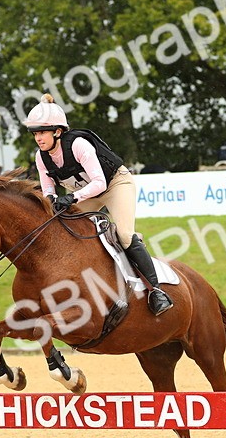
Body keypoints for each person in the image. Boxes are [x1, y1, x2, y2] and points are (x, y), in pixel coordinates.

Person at [23, 94, 173, 316]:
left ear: (58, 131)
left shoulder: (78, 145)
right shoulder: (41, 157)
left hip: (115, 185)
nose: (38, 138)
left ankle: (157, 291)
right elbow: (48, 189)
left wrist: (72, 198)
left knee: (123, 235)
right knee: (61, 230)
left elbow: (100, 182)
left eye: (43, 132)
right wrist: (52, 200)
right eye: (35, 133)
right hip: (86, 194)